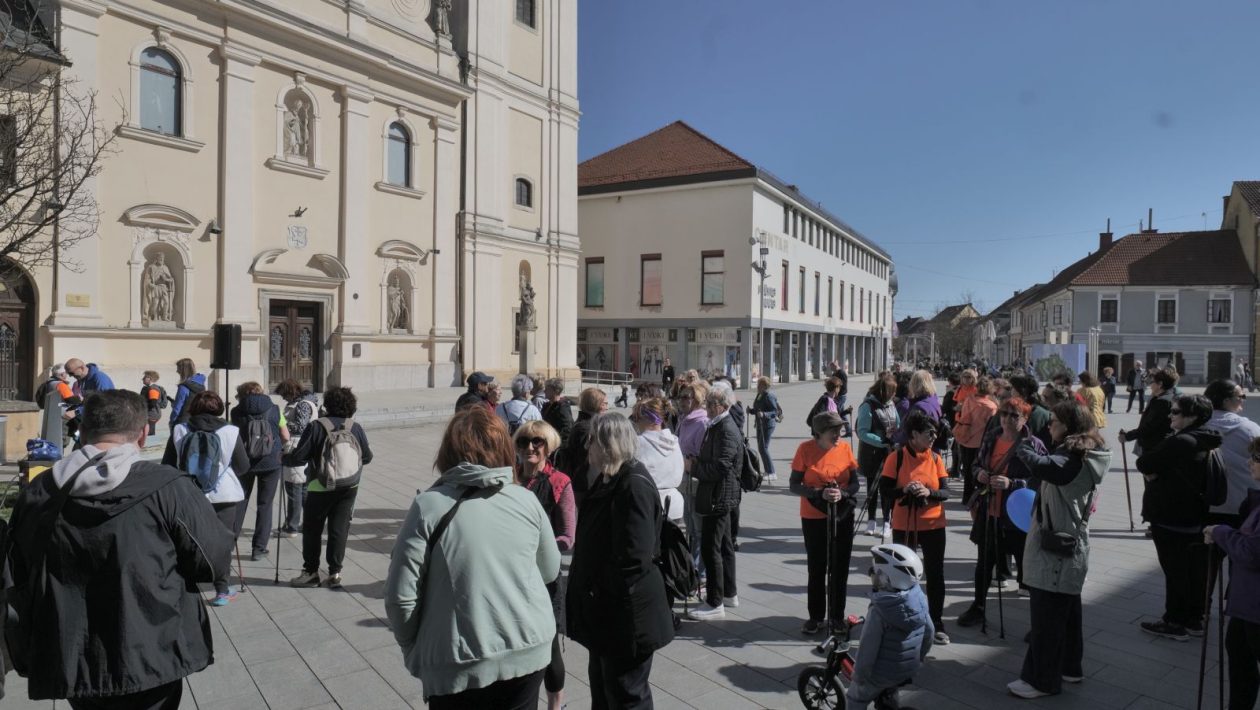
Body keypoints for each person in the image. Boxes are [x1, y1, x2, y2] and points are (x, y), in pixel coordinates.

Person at [5, 390, 233, 708]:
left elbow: (19, 569)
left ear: (82, 432)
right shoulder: (169, 487)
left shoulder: (39, 491)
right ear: (142, 434)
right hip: (152, 649)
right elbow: (213, 563)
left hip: (74, 652)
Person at [384, 406, 559, 709]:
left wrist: (412, 648)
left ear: (449, 452)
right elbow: (549, 569)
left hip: (458, 660)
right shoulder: (525, 499)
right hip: (528, 650)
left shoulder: (429, 506)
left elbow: (400, 597)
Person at [568, 412, 674, 708]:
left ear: (607, 445)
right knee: (604, 691)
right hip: (608, 615)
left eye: (591, 441)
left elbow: (635, 558)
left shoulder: (632, 484)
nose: (587, 447)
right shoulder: (608, 478)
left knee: (627, 695)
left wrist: (597, 589)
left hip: (626, 617)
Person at [1007, 401, 1109, 699]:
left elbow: (1048, 469)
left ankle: (1042, 680)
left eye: (1053, 421)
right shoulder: (1080, 452)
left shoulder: (1074, 458)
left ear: (1068, 425)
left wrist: (1023, 446)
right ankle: (1069, 667)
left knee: (1047, 618)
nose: (1049, 425)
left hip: (1056, 548)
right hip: (1067, 544)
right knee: (1066, 613)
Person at [1135, 394, 1219, 640]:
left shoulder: (1181, 441)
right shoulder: (1207, 437)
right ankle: (1194, 619)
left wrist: (1155, 473)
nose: (1170, 416)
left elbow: (1144, 462)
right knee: (1192, 569)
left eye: (1176, 412)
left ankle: (1174, 621)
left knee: (1175, 570)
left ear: (1192, 416)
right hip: (1193, 513)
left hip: (1171, 514)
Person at [957, 397, 1046, 628]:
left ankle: (1039, 622)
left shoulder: (1033, 444)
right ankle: (978, 607)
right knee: (983, 564)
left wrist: (1013, 483)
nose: (1007, 419)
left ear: (1025, 418)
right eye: (1004, 414)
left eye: (1014, 415)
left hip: (1018, 516)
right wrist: (979, 474)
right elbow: (976, 464)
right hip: (990, 511)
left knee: (1028, 569)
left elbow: (1041, 480)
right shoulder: (991, 437)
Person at [162, 389, 249, 606]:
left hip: (189, 492)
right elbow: (243, 466)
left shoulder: (180, 429)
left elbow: (167, 464)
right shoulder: (231, 431)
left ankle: (186, 585)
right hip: (225, 494)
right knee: (224, 541)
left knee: (187, 540)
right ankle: (221, 590)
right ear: (219, 408)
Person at [283, 386, 373, 588]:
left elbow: (300, 456)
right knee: (338, 529)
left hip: (320, 485)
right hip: (349, 486)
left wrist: (286, 456)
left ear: (327, 405)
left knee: (313, 530)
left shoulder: (316, 426)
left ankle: (311, 572)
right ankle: (335, 573)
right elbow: (367, 457)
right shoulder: (354, 427)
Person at [514, 420, 575, 710]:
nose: (529, 447)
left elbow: (568, 535)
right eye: (524, 442)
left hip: (545, 577)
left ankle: (555, 705)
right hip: (511, 575)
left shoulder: (559, 482)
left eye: (536, 442)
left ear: (548, 447)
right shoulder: (510, 478)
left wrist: (541, 550)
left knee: (549, 644)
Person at [880, 410, 952, 645]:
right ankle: (903, 619)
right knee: (903, 576)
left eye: (935, 433)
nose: (933, 437)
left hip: (933, 524)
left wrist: (928, 492)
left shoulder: (936, 458)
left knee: (936, 574)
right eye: (929, 433)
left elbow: (945, 492)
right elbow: (886, 491)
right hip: (904, 524)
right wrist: (906, 490)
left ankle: (936, 621)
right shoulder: (897, 458)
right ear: (913, 435)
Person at [790, 411, 859, 634]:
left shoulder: (845, 449)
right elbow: (794, 485)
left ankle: (837, 616)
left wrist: (843, 493)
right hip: (813, 516)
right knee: (817, 567)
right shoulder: (805, 449)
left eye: (840, 430)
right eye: (834, 431)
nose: (839, 435)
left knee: (840, 567)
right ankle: (816, 616)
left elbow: (856, 484)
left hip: (842, 515)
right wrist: (818, 492)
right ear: (819, 433)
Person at [1204, 436, 1260, 710]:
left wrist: (1221, 532)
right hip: (1245, 603)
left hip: (1255, 605)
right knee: (1238, 654)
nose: (1250, 463)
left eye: (1256, 459)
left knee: (1243, 656)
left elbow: (1253, 552)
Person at [847, 544, 933, 710]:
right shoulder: (920, 600)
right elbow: (929, 634)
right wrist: (918, 659)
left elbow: (867, 651)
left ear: (887, 578)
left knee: (855, 697)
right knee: (890, 686)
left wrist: (858, 677)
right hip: (908, 668)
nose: (873, 576)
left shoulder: (879, 612)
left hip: (882, 674)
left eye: (876, 573)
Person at [686, 382, 743, 620]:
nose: (707, 407)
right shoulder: (717, 425)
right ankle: (729, 594)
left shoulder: (726, 428)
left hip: (719, 496)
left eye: (711, 403)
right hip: (720, 494)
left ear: (722, 406)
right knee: (724, 546)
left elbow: (721, 467)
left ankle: (715, 602)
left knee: (712, 548)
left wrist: (695, 466)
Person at [229, 381, 290, 561]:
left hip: (244, 462)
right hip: (270, 462)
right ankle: (259, 548)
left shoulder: (236, 411)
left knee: (240, 501)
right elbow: (285, 435)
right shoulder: (275, 409)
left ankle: (230, 542)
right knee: (265, 504)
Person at [1205, 380, 1260, 530]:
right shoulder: (1249, 430)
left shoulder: (1196, 426)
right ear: (1226, 401)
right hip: (1242, 504)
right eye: (1240, 395)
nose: (1243, 398)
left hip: (1206, 504)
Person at [857, 375, 900, 538]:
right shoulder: (868, 406)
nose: (893, 394)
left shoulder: (891, 405)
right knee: (872, 488)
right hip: (872, 453)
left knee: (887, 488)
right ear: (883, 390)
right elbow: (862, 432)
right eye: (891, 391)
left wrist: (894, 436)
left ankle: (887, 522)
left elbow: (898, 423)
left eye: (894, 391)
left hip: (889, 452)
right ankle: (871, 520)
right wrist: (882, 441)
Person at [276, 378, 319, 537]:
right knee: (303, 489)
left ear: (290, 392)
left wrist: (281, 424)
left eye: (284, 395)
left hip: (297, 449)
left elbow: (301, 427)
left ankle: (292, 527)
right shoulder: (305, 403)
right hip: (302, 448)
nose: (283, 398)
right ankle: (307, 523)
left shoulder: (302, 404)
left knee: (294, 489)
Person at [633, 397, 685, 522]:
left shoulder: (638, 443)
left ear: (647, 418)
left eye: (637, 418)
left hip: (647, 504)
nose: (636, 422)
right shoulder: (674, 441)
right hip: (674, 505)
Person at [556, 386, 608, 505]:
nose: (606, 407)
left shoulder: (586, 423)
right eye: (604, 404)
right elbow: (584, 458)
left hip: (583, 481)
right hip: (584, 483)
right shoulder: (586, 428)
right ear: (596, 404)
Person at [1119, 368, 1178, 456]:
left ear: (1160, 384)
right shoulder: (1168, 396)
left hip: (1156, 445)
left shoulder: (1162, 401)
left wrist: (1128, 436)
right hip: (1160, 443)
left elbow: (1150, 427)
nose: (1150, 385)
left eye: (1152, 382)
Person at [895, 369, 942, 446]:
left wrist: (893, 436)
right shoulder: (933, 400)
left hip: (918, 449)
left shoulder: (919, 406)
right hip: (931, 446)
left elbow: (909, 433)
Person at [751, 376, 784, 482]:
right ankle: (767, 470)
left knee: (763, 448)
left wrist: (764, 414)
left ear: (765, 386)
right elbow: (757, 409)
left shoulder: (769, 396)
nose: (758, 386)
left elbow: (774, 412)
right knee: (761, 448)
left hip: (768, 425)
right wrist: (751, 411)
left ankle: (772, 472)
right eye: (758, 384)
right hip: (760, 424)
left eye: (760, 385)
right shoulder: (759, 395)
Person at [169, 358, 206, 429]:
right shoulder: (201, 384)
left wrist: (172, 421)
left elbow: (177, 408)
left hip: (183, 422)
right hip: (198, 421)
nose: (177, 371)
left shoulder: (183, 387)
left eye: (178, 369)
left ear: (184, 370)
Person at [540, 377, 574, 447]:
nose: (544, 391)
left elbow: (567, 429)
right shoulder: (548, 405)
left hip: (554, 446)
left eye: (547, 389)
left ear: (555, 391)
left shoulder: (562, 407)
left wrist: (555, 442)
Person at [139, 370, 166, 436]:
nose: (142, 379)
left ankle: (150, 444)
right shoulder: (149, 388)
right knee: (148, 431)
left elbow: (153, 403)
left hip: (152, 414)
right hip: (152, 413)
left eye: (144, 377)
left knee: (149, 432)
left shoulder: (153, 389)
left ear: (150, 379)